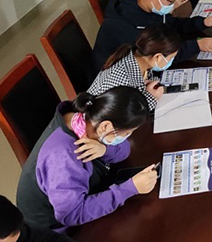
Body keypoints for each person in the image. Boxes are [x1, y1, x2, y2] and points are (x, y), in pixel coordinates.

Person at [16, 87, 159, 232]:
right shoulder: (63, 156)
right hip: (57, 232)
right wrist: (128, 189)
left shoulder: (87, 119)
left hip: (86, 196)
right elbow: (72, 214)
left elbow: (124, 150)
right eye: (127, 133)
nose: (126, 137)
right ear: (106, 126)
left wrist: (104, 149)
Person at [91, 0, 212, 72]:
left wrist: (202, 22)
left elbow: (171, 24)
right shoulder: (125, 25)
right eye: (171, 0)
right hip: (120, 85)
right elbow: (158, 56)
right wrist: (197, 45)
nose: (173, 4)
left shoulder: (144, 5)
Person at [89, 23, 182, 112]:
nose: (171, 61)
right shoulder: (122, 79)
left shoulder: (139, 59)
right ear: (158, 57)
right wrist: (151, 99)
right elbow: (127, 115)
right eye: (171, 58)